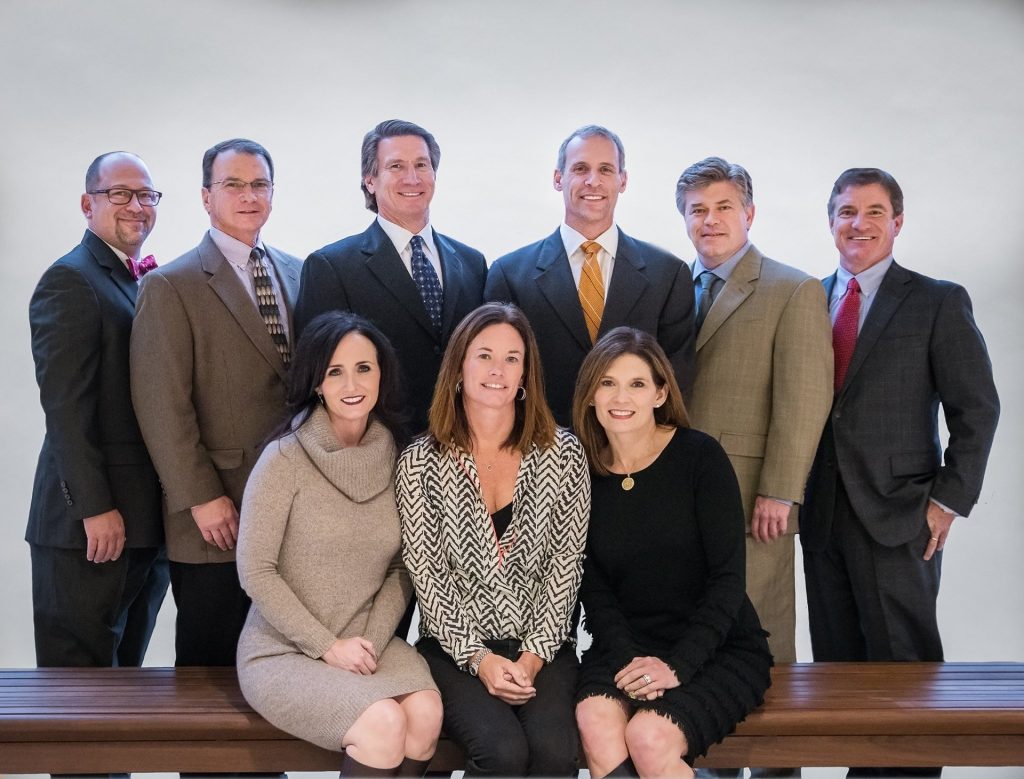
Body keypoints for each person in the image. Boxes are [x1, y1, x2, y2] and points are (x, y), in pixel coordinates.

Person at [801, 169, 1000, 775]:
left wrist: (947, 501)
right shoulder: (807, 300)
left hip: (900, 514)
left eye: (873, 212)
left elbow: (977, 409)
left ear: (897, 222)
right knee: (841, 679)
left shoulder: (937, 300)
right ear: (830, 220)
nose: (858, 224)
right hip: (821, 514)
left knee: (905, 678)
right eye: (846, 212)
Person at [236, 312, 442, 777]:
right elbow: (256, 572)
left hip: (367, 641)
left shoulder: (398, 457)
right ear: (317, 383)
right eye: (335, 372)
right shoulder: (283, 459)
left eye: (364, 368)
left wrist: (369, 642)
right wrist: (328, 646)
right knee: (383, 723)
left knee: (426, 713)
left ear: (381, 375)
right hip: (283, 649)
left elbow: (402, 567)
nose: (352, 384)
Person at [396, 302, 590, 777]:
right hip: (454, 648)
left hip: (544, 647)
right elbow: (428, 577)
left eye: (511, 358)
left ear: (525, 375)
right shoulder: (420, 462)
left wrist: (531, 658)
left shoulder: (563, 453)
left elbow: (566, 567)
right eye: (484, 355)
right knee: (502, 751)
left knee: (554, 750)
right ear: (459, 367)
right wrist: (480, 660)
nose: (497, 370)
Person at [572, 327, 772, 779]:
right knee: (596, 722)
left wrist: (677, 666)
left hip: (715, 647)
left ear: (660, 393)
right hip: (625, 645)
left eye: (637, 384)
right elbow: (593, 589)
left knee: (648, 737)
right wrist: (628, 660)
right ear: (590, 395)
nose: (620, 397)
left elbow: (728, 580)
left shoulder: (700, 457)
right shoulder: (582, 472)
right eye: (607, 383)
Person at [131, 138, 302, 666]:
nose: (248, 195)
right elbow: (161, 404)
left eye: (259, 184)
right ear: (206, 196)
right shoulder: (170, 285)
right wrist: (201, 497)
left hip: (293, 508)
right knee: (209, 667)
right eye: (233, 184)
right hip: (217, 511)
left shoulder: (299, 272)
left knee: (286, 664)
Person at [677, 157, 833, 667]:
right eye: (697, 209)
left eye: (724, 207)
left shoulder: (793, 290)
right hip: (677, 492)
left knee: (757, 637)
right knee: (685, 632)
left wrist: (781, 491)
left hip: (753, 500)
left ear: (749, 214)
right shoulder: (670, 287)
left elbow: (804, 398)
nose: (710, 220)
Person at [27, 151, 168, 668]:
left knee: (124, 688)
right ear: (89, 205)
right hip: (90, 529)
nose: (137, 205)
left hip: (142, 526)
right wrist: (93, 507)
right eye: (120, 194)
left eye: (146, 195)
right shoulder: (71, 279)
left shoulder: (138, 280)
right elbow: (66, 409)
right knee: (77, 691)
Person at [485, 124, 695, 426]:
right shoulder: (509, 274)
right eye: (580, 168)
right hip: (539, 442)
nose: (593, 181)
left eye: (606, 170)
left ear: (623, 180)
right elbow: (498, 375)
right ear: (558, 178)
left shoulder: (668, 274)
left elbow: (676, 379)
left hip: (632, 444)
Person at [295, 119, 487, 434]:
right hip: (378, 445)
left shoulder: (472, 263)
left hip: (463, 443)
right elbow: (316, 378)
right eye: (396, 166)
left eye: (421, 165)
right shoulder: (331, 267)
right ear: (370, 180)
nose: (412, 177)